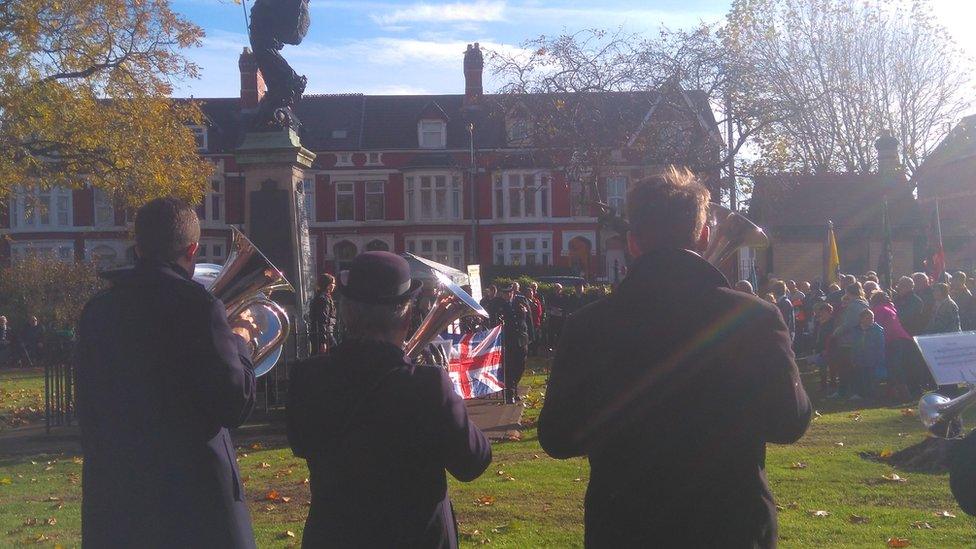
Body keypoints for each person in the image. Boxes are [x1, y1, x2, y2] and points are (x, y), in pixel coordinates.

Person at [538, 170, 810, 548]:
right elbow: (789, 423)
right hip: (731, 528)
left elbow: (557, 438)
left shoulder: (588, 325)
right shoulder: (756, 317)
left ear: (632, 243)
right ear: (702, 235)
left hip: (625, 529)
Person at [74, 197, 259, 548]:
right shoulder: (199, 307)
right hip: (193, 501)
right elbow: (235, 403)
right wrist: (240, 339)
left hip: (118, 498)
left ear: (138, 245)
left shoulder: (97, 310)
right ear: (193, 249)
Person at [286, 252, 491, 548]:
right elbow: (473, 463)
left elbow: (300, 443)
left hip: (334, 537)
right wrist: (451, 397)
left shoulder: (307, 377)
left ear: (344, 313)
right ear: (407, 317)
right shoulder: (430, 385)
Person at [490, 283, 534, 403]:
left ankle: (514, 388)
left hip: (522, 339)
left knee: (521, 366)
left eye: (509, 293)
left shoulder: (521, 301)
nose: (507, 295)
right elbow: (493, 321)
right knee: (509, 367)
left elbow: (529, 318)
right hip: (508, 341)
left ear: (513, 293)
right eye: (505, 293)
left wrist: (532, 336)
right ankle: (510, 394)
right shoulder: (498, 304)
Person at [870, 291, 913, 402]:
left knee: (894, 367)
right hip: (901, 338)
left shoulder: (878, 310)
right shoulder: (890, 308)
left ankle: (903, 394)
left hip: (891, 339)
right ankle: (894, 393)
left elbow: (878, 327)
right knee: (895, 366)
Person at [850, 309, 885, 401]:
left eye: (872, 318)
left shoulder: (877, 330)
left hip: (872, 357)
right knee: (860, 375)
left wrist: (879, 358)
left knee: (870, 377)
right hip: (859, 357)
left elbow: (880, 345)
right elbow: (853, 345)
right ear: (861, 319)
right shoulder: (856, 330)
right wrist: (853, 357)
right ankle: (860, 393)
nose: (871, 320)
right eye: (868, 318)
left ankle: (871, 395)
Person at [309, 273, 338, 354]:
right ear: (328, 285)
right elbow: (322, 319)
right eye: (333, 284)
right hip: (324, 335)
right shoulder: (323, 299)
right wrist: (323, 341)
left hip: (324, 334)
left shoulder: (322, 297)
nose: (334, 286)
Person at [811, 303, 836, 391]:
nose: (822, 314)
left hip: (830, 348)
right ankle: (823, 386)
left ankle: (833, 384)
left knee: (832, 367)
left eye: (824, 312)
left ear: (829, 312)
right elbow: (815, 336)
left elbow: (832, 337)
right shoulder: (818, 322)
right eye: (821, 312)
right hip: (820, 348)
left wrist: (827, 349)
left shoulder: (833, 323)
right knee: (822, 367)